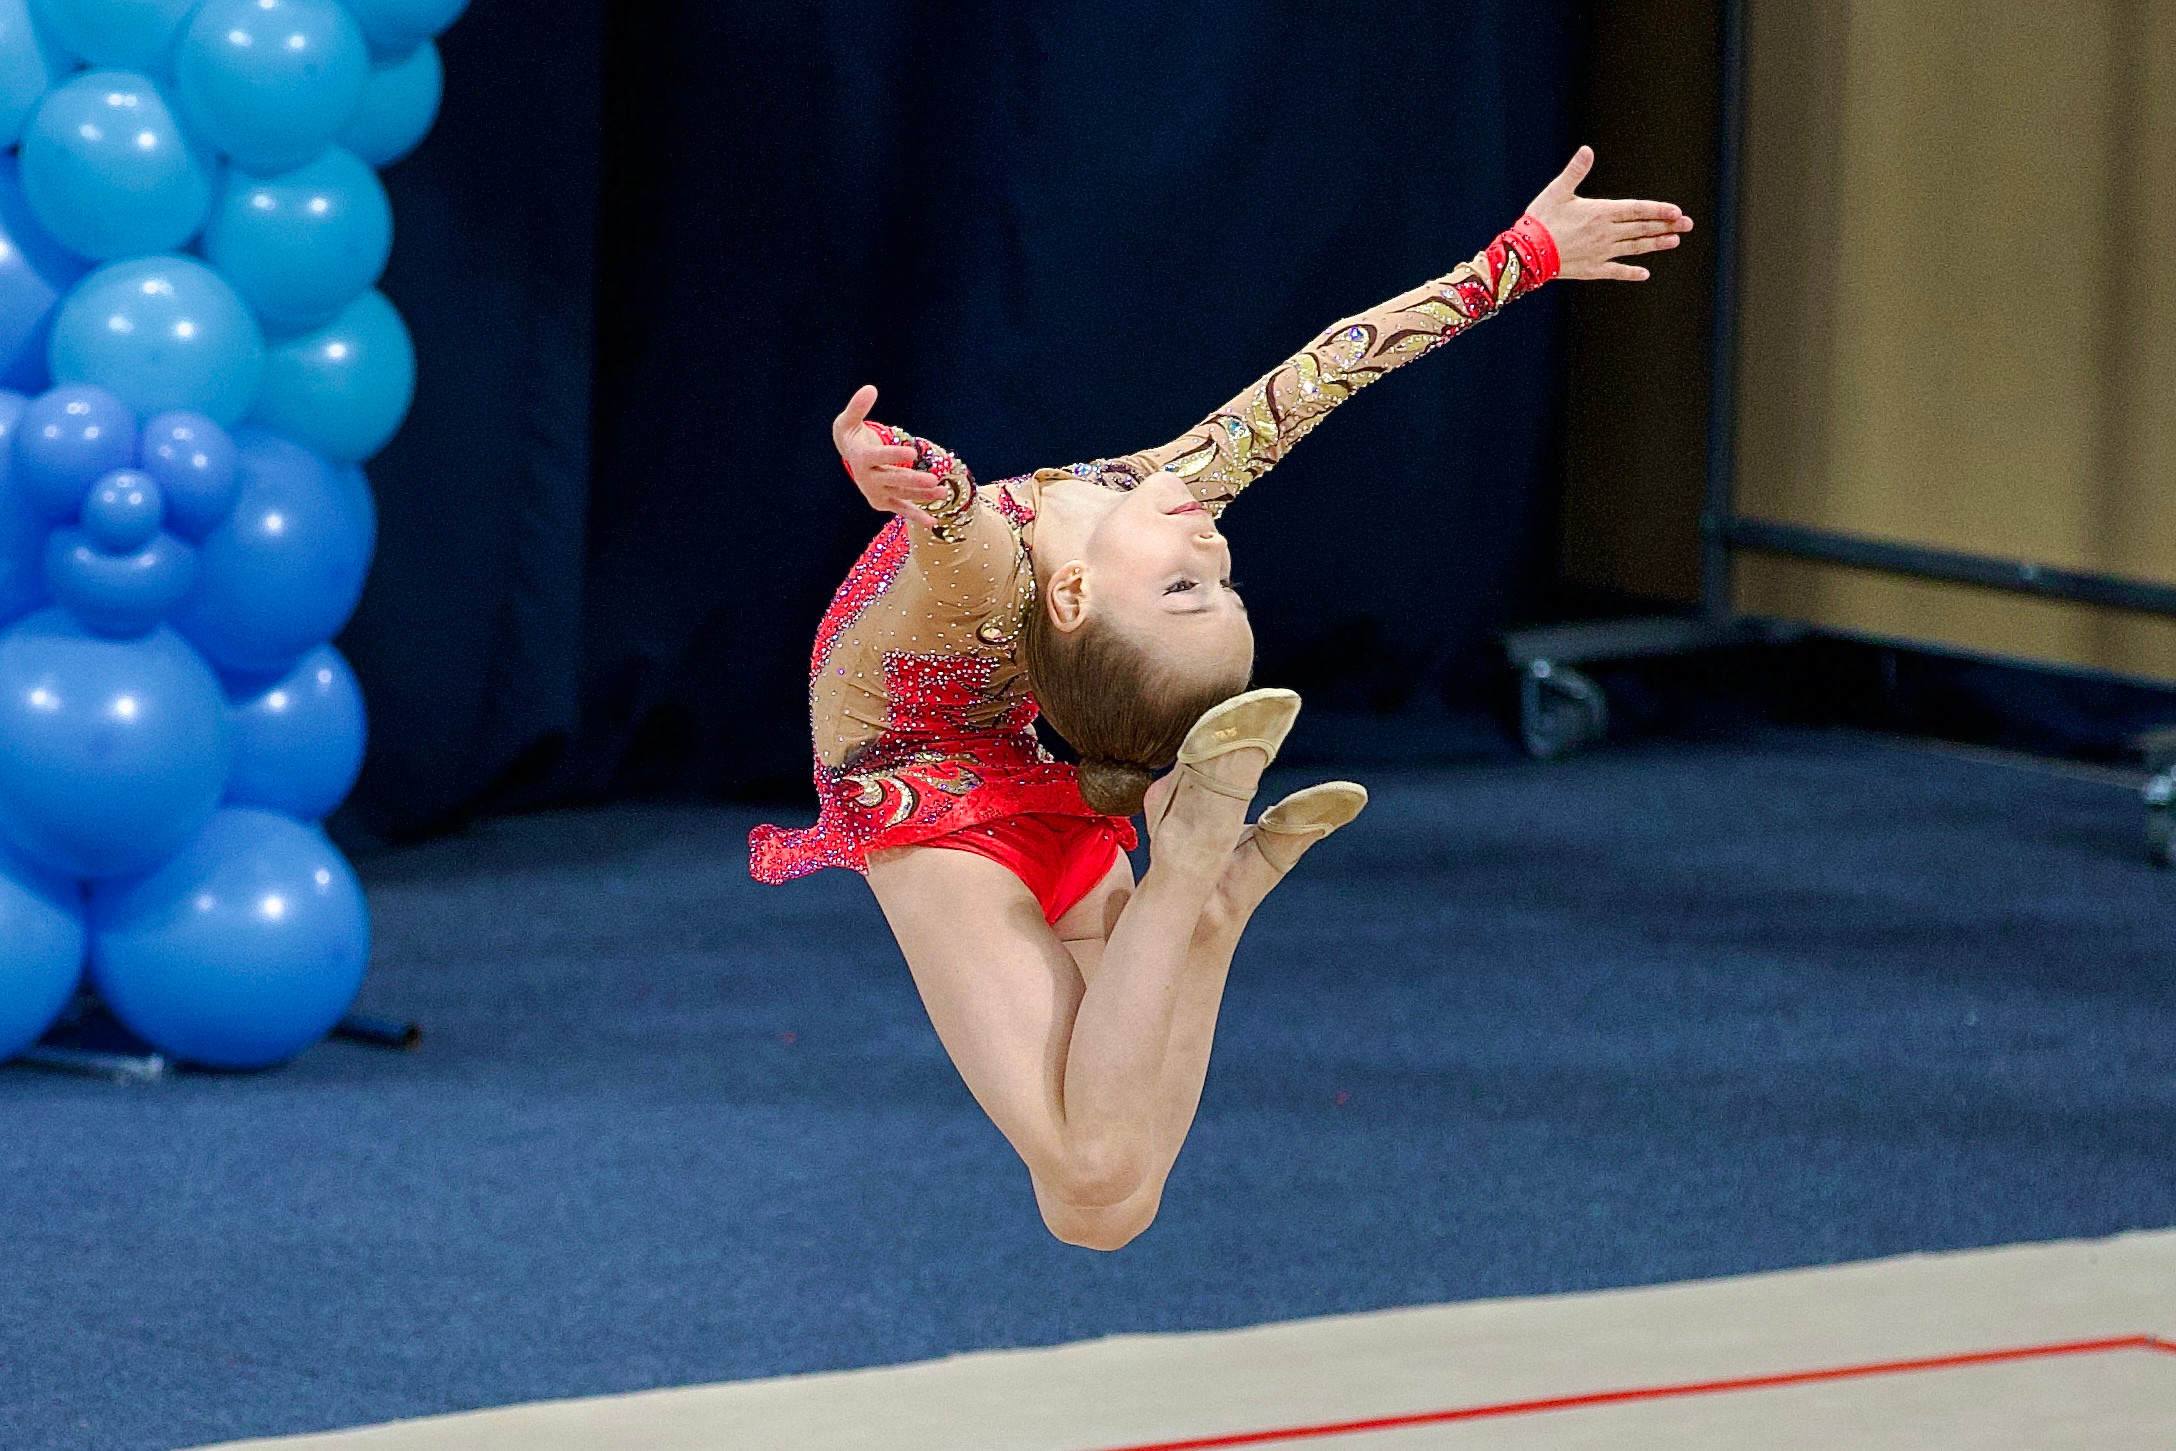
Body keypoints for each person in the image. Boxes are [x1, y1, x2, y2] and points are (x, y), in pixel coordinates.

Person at [752, 147, 1691, 1249]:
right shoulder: (1152, 500)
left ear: (1071, 595)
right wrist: (1520, 257)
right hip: (1035, 770)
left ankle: (1197, 867)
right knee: (1104, 1201)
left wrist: (886, 463)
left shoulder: (990, 554)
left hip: (923, 796)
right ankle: (1206, 891)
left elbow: (948, 501)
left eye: (1187, 584)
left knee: (1092, 1189)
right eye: (1218, 583)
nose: (1211, 538)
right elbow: (1330, 370)